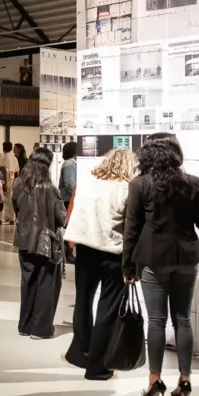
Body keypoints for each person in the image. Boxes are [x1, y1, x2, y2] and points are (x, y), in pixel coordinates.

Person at [125, 137, 199, 396]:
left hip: (153, 259)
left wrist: (127, 265)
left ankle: (155, 381)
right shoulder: (192, 182)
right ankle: (185, 381)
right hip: (187, 257)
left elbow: (132, 228)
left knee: (156, 321)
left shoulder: (139, 184)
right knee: (183, 319)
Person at [63, 148, 136, 379]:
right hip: (112, 253)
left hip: (85, 250)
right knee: (108, 308)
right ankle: (98, 367)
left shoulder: (88, 182)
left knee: (83, 301)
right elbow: (130, 226)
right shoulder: (127, 188)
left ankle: (79, 353)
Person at [12, 147, 67, 339]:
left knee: (28, 282)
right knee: (47, 283)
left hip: (24, 239)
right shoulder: (49, 188)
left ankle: (25, 326)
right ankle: (40, 329)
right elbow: (61, 217)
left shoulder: (18, 183)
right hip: (46, 241)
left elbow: (16, 208)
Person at [0, 141, 20, 224]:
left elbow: (0, 169)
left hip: (3, 180)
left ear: (3, 148)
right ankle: (12, 218)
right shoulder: (14, 158)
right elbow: (17, 171)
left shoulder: (2, 157)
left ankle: (2, 218)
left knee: (1, 199)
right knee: (11, 200)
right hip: (12, 179)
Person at [59, 141, 77, 206]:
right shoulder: (69, 164)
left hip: (70, 199)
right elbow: (70, 185)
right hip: (68, 200)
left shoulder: (72, 163)